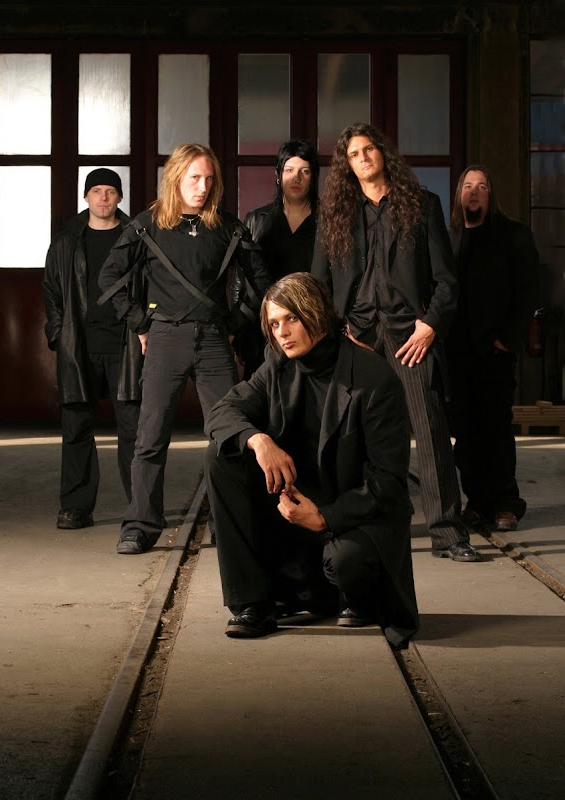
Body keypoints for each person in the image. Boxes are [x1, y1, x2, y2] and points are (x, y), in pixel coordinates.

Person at [204, 272, 419, 649]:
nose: (282, 332)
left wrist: (324, 518)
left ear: (317, 313)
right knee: (223, 453)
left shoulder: (373, 378)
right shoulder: (277, 364)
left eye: (292, 318)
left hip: (353, 517)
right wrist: (258, 440)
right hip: (295, 512)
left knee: (347, 563)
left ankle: (356, 598)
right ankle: (252, 605)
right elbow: (223, 411)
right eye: (274, 323)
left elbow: (387, 482)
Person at [312, 121, 482, 562]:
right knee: (353, 437)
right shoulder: (335, 214)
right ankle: (358, 527)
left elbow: (447, 281)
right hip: (356, 336)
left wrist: (430, 326)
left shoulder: (422, 205)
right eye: (354, 154)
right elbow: (319, 283)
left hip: (411, 335)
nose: (363, 158)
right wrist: (336, 331)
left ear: (383, 153)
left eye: (369, 149)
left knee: (430, 430)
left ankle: (448, 533)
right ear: (347, 165)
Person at [98, 143, 271, 555]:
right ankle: (140, 526)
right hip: (165, 339)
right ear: (175, 178)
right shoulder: (147, 225)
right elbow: (109, 278)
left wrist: (235, 324)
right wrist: (141, 323)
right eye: (194, 178)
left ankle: (228, 524)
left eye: (209, 179)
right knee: (150, 436)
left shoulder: (227, 227)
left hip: (213, 340)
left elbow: (262, 283)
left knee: (229, 433)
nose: (202, 187)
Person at [43, 168, 141, 530]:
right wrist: (59, 334)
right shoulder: (66, 241)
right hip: (79, 346)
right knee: (77, 428)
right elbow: (52, 292)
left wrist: (146, 327)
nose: (103, 197)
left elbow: (152, 286)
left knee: (134, 429)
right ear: (86, 197)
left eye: (110, 191)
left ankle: (141, 508)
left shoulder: (137, 237)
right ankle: (75, 508)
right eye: (96, 190)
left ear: (119, 197)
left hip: (126, 345)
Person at [447, 165, 540, 532]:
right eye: (468, 186)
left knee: (496, 429)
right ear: (459, 195)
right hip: (457, 353)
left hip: (494, 352)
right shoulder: (450, 238)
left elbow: (528, 291)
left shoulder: (513, 235)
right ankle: (478, 502)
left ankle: (505, 503)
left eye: (481, 186)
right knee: (465, 432)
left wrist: (508, 338)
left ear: (491, 195)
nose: (474, 192)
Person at [232, 138, 320, 379]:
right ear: (278, 175)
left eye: (304, 171)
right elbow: (242, 278)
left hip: (311, 324)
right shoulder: (256, 219)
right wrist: (239, 329)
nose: (296, 178)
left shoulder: (328, 220)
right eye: (289, 170)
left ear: (313, 177)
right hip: (264, 326)